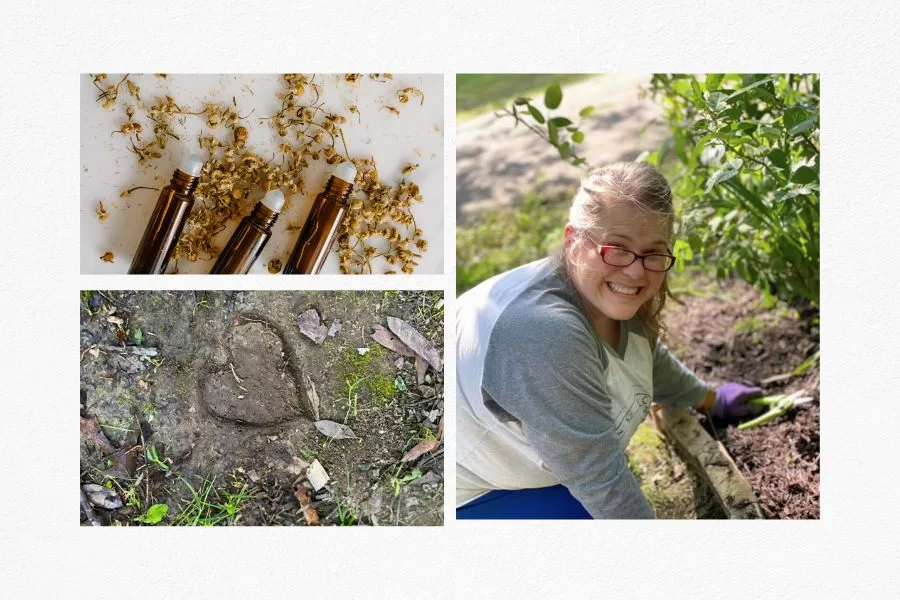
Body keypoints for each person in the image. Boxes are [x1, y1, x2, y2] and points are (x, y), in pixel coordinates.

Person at [455, 162, 762, 519]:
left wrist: (710, 399)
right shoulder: (543, 333)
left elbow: (642, 355)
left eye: (653, 253)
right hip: (472, 488)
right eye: (617, 248)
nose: (635, 270)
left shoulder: (599, 295)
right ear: (573, 241)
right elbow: (599, 479)